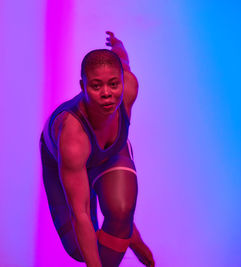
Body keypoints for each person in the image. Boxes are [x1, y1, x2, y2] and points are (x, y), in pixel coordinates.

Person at [40, 31, 155, 267]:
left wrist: (118, 45)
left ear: (123, 81)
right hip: (66, 158)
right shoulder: (72, 135)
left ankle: (125, 227)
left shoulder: (129, 88)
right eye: (96, 86)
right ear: (83, 87)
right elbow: (80, 212)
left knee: (120, 213)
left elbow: (122, 60)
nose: (106, 94)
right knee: (81, 250)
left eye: (114, 84)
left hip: (110, 151)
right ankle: (126, 232)